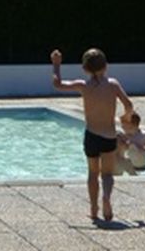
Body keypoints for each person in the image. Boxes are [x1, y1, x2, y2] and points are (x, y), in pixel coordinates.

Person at [51, 47, 133, 223]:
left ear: (84, 69)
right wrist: (126, 117)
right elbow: (129, 105)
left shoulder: (83, 86)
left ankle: (94, 208)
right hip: (109, 136)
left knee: (92, 173)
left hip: (91, 136)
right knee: (107, 174)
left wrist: (56, 65)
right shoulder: (113, 85)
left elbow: (58, 84)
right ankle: (107, 198)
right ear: (106, 66)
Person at [114, 109, 145, 175]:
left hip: (142, 165)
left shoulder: (143, 135)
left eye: (124, 126)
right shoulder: (125, 136)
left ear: (133, 125)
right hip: (131, 164)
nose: (122, 128)